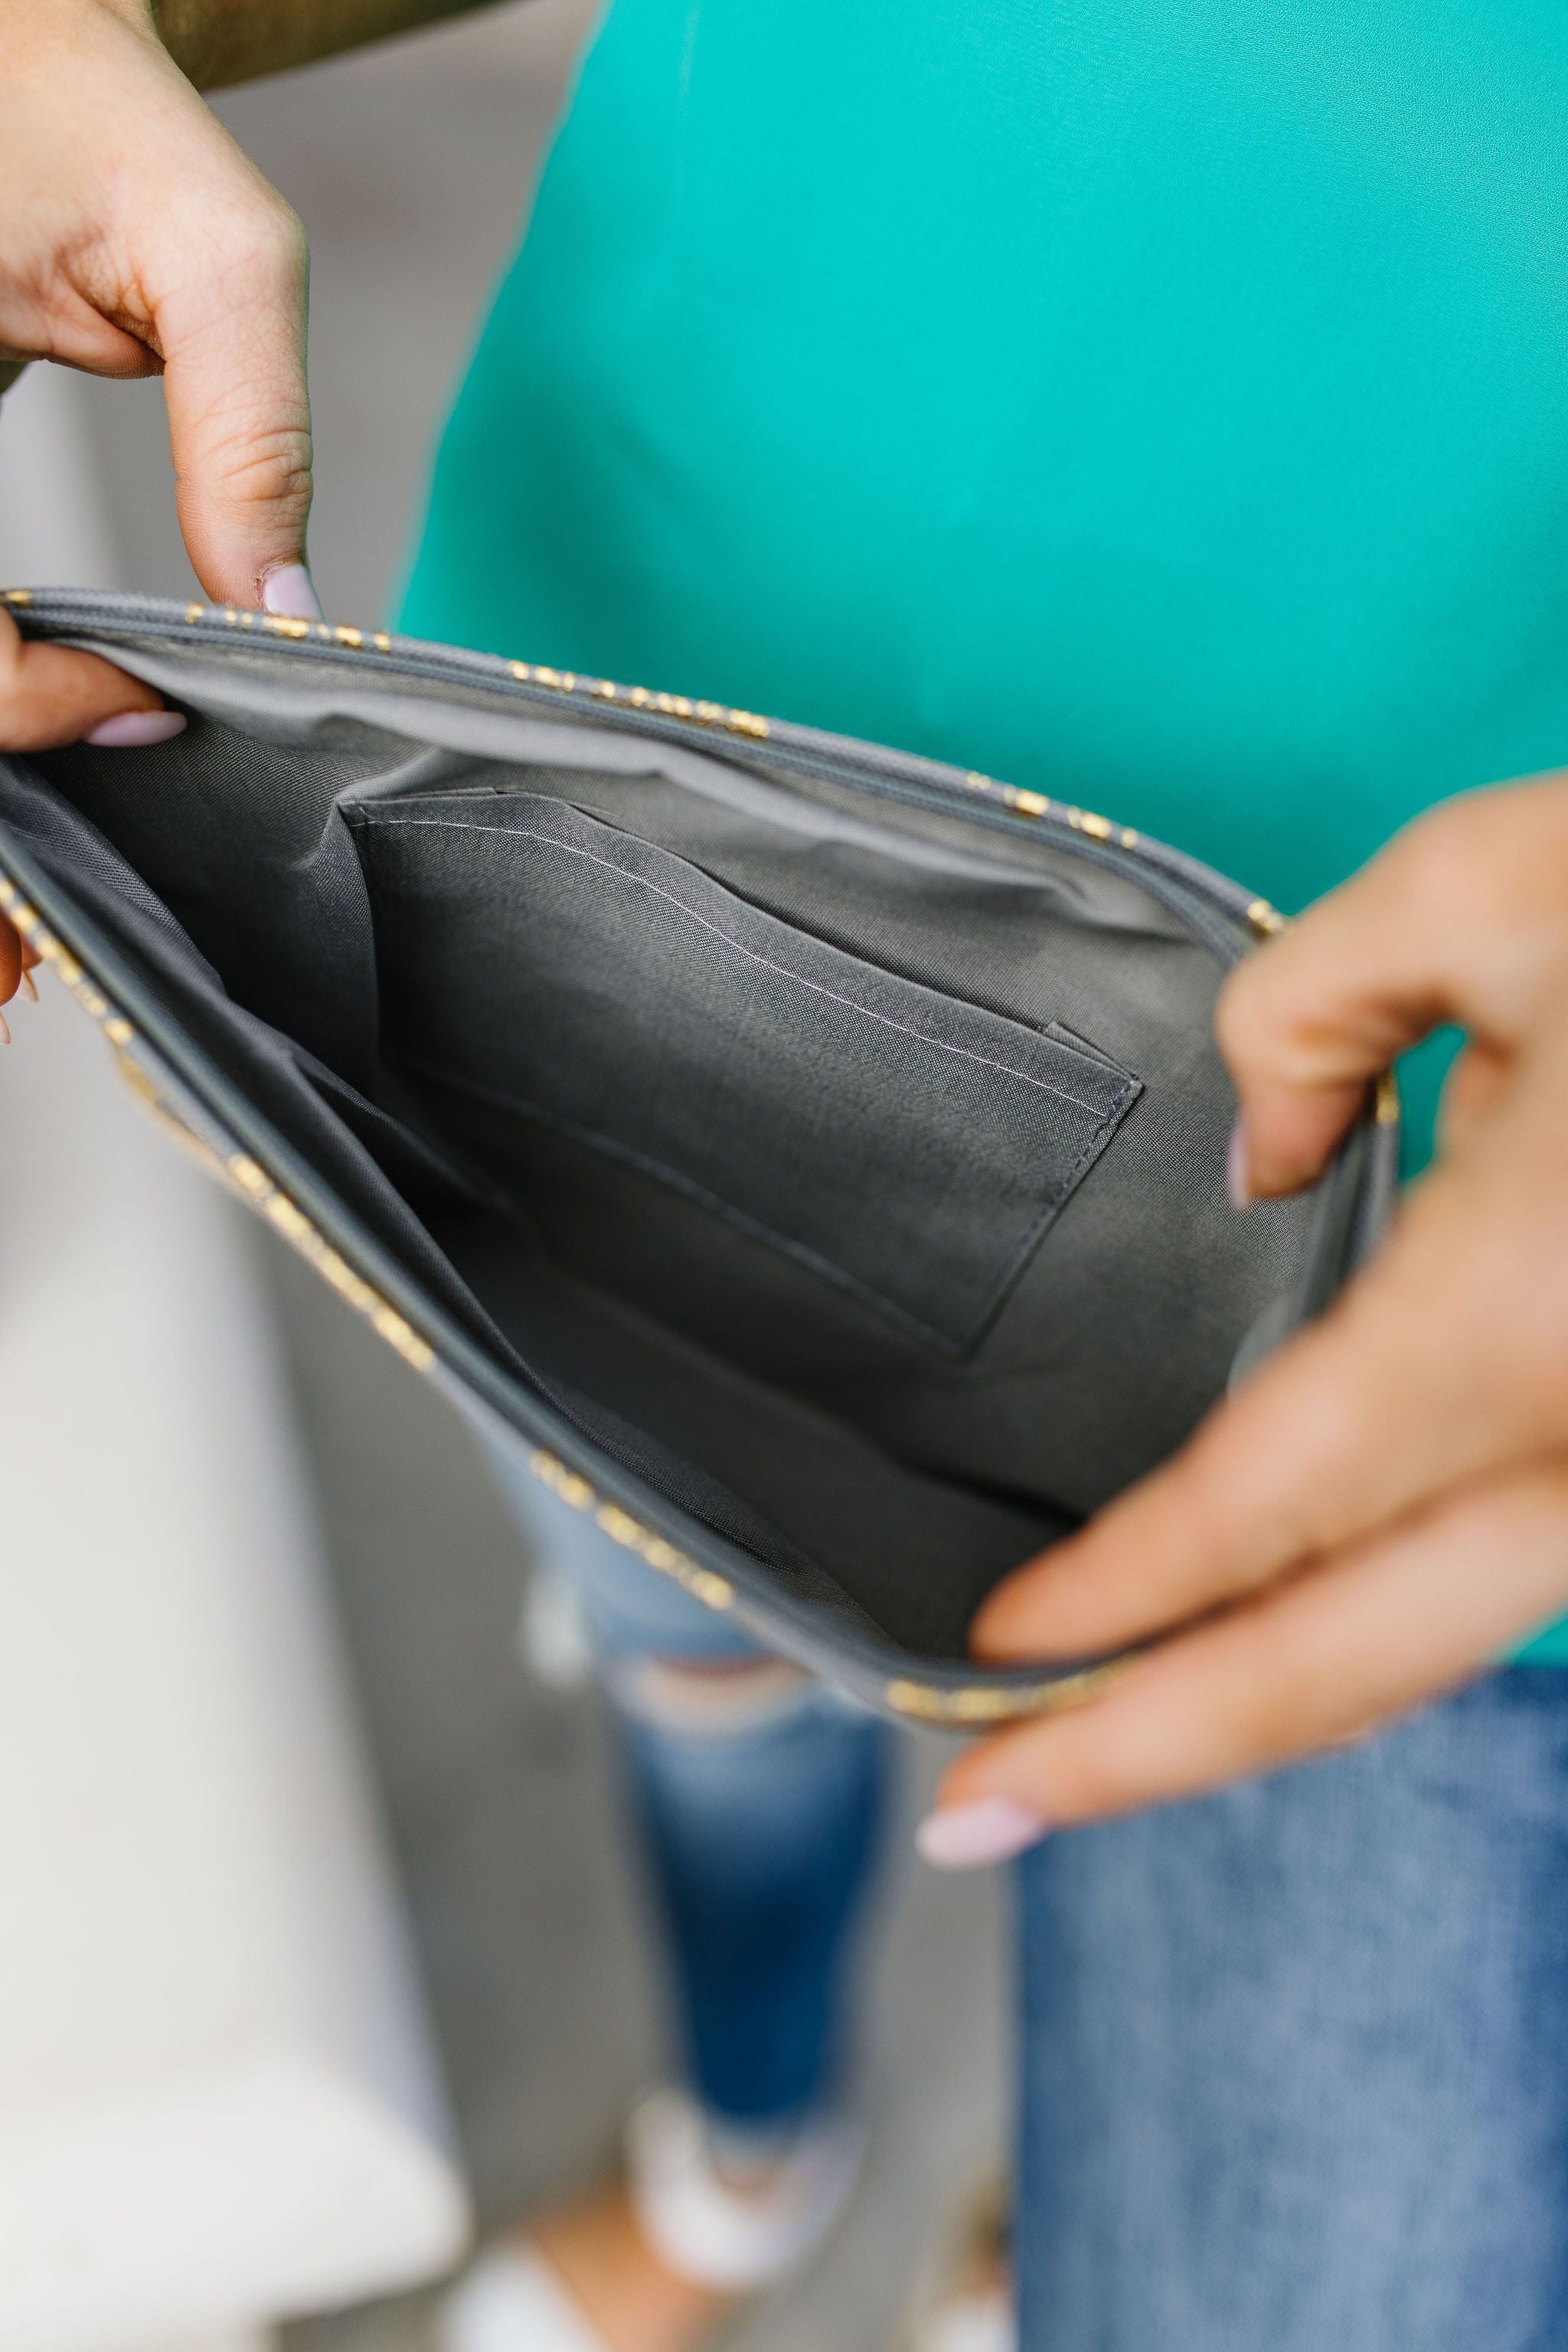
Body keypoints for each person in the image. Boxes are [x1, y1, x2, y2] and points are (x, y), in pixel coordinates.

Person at [9, 2, 1568, 2345]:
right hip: (579, 801)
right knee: (693, 1624)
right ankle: (749, 2137)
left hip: (1488, 1356)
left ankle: (997, 2214)